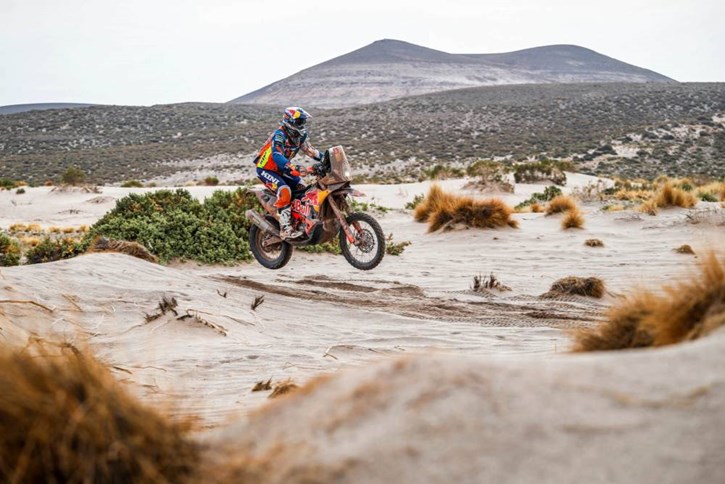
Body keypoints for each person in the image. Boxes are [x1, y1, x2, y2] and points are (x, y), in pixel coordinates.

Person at [253, 107, 325, 239]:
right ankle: (285, 228)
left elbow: (310, 151)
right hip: (266, 169)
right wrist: (291, 166)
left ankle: (300, 221)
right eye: (299, 122)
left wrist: (327, 158)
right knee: (285, 190)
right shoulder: (279, 135)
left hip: (282, 169)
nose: (302, 125)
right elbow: (276, 155)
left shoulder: (300, 136)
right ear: (290, 121)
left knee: (304, 189)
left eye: (303, 122)